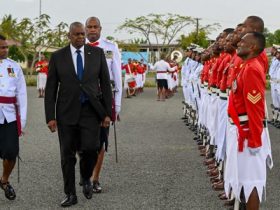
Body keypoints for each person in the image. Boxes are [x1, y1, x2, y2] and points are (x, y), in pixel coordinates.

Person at [44, 22, 112, 207]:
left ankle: (86, 176)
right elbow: (50, 89)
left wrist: (108, 113)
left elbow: (105, 84)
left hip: (91, 111)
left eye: (83, 34)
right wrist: (50, 116)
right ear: (69, 36)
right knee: (67, 156)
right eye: (77, 34)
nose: (81, 37)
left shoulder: (97, 54)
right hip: (66, 113)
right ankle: (70, 194)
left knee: (91, 148)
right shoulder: (58, 57)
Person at [225, 32, 273, 210]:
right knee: (242, 178)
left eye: (243, 42)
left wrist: (254, 140)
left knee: (252, 181)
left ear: (252, 47)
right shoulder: (246, 66)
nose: (239, 43)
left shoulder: (252, 68)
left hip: (248, 133)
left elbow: (255, 109)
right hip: (241, 130)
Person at [85, 16, 122, 193]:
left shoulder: (110, 47)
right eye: (89, 27)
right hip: (83, 100)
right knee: (83, 142)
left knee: (100, 142)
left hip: (103, 99)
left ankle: (95, 179)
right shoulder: (77, 48)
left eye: (95, 27)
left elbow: (117, 78)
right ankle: (86, 175)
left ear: (100, 29)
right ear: (85, 29)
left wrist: (117, 106)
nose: (92, 30)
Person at [0, 34, 27, 200]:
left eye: (6, 47)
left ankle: (4, 180)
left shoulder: (14, 67)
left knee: (11, 152)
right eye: (2, 47)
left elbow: (22, 95)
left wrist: (21, 121)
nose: (5, 50)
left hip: (9, 116)